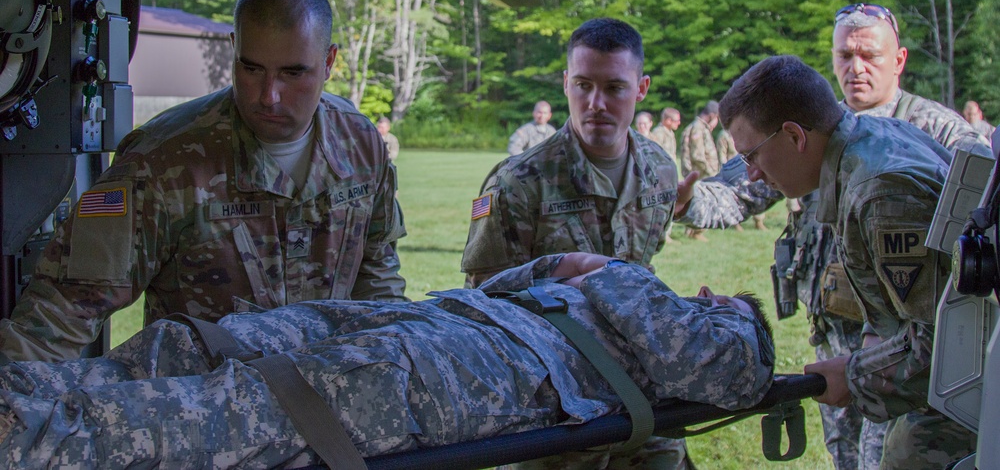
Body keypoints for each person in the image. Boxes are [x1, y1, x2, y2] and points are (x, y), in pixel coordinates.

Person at [0, 253, 776, 468]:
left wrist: (610, 271)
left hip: (466, 370)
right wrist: (568, 265)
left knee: (252, 408)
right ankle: (26, 388)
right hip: (446, 317)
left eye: (726, 302)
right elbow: (504, 282)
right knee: (207, 342)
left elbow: (730, 373)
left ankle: (22, 434)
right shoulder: (632, 296)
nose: (711, 297)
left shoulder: (685, 322)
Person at [0, 0, 407, 363]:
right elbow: (60, 312)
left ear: (329, 60)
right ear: (233, 48)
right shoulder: (162, 161)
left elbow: (378, 270)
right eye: (251, 68)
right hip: (206, 414)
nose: (269, 95)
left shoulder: (360, 144)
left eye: (292, 72)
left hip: (330, 402)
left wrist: (389, 354)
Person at [681, 2, 991, 470]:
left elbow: (949, 336)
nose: (753, 174)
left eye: (753, 156)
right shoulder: (869, 141)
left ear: (794, 135)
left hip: (959, 403)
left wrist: (855, 375)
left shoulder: (880, 190)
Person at [462, 17, 690, 469]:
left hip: (639, 382)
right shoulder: (518, 181)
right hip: (553, 399)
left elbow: (645, 261)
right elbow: (482, 296)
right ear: (566, 82)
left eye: (614, 88)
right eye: (583, 85)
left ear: (641, 88)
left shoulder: (659, 169)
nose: (595, 103)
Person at [680, 101, 720, 241]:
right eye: (717, 118)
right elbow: (697, 156)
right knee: (699, 202)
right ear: (712, 115)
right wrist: (711, 172)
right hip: (700, 174)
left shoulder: (697, 127)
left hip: (698, 173)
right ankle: (697, 232)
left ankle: (691, 231)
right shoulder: (698, 128)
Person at [716, 128, 766, 231]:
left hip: (746, 168)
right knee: (736, 197)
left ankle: (759, 221)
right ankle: (736, 222)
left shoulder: (745, 131)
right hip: (733, 171)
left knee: (755, 193)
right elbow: (722, 154)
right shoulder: (724, 135)